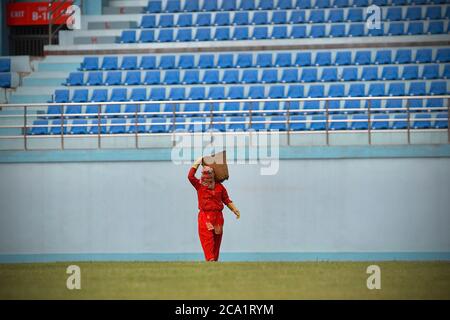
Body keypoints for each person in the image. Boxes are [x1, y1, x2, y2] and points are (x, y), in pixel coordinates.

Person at [188, 157, 240, 261]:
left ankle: (214, 260)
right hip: (205, 216)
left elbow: (226, 199)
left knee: (217, 239)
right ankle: (210, 259)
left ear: (213, 175)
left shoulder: (219, 187)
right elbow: (190, 176)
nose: (207, 177)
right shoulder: (199, 185)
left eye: (209, 174)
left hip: (218, 217)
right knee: (207, 238)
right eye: (205, 174)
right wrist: (197, 162)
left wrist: (234, 209)